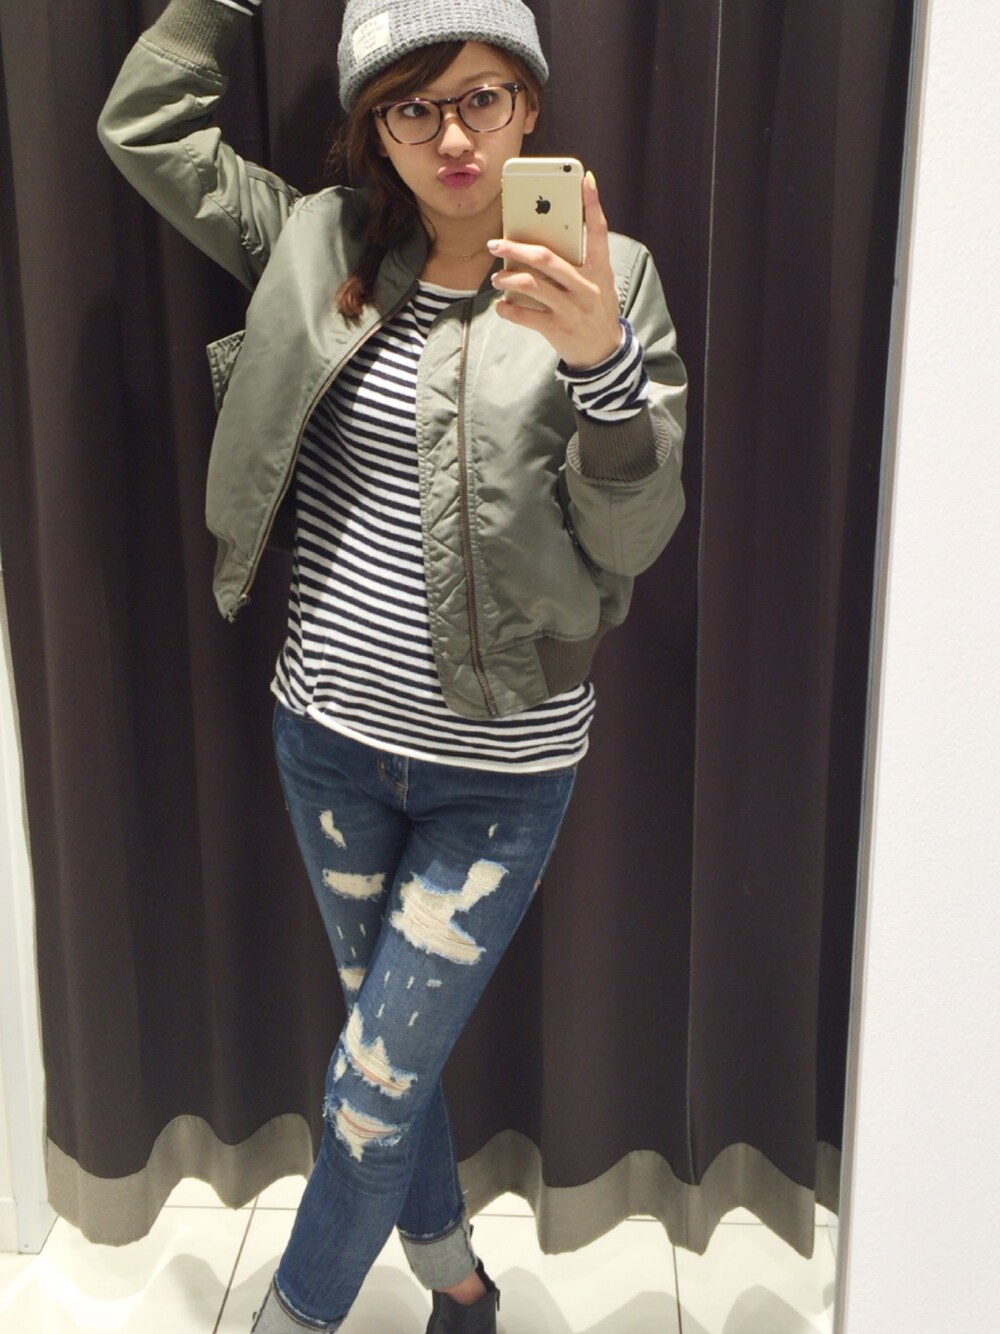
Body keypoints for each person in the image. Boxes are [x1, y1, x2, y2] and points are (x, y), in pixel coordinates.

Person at [98, 0, 686, 1329]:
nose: (455, 137)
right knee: (388, 1064)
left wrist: (601, 368)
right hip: (327, 745)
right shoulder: (316, 241)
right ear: (375, 127)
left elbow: (637, 535)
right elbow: (141, 128)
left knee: (369, 1092)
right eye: (414, 107)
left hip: (501, 773)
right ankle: (457, 1282)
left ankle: (294, 1313)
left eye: (483, 97)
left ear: (530, 108)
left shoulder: (611, 276)